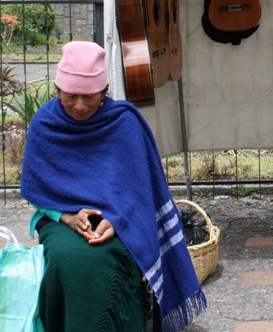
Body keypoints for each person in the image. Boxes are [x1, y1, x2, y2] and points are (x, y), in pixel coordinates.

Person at [21, 41, 206, 332]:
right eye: (70, 97)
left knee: (110, 257)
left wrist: (118, 222)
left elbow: (140, 191)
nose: (80, 106)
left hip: (120, 219)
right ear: (57, 91)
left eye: (89, 97)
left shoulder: (124, 122)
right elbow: (39, 191)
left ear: (104, 92)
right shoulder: (45, 124)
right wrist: (67, 217)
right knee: (65, 258)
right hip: (61, 220)